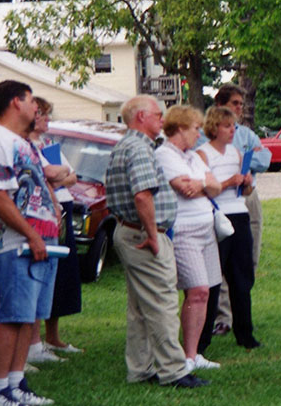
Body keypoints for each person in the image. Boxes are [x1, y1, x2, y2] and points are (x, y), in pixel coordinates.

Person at [106, 95, 207, 389]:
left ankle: (140, 368)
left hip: (129, 231)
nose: (162, 120)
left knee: (140, 307)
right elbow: (142, 195)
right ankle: (174, 371)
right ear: (140, 117)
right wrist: (152, 234)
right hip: (142, 235)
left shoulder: (125, 145)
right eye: (157, 115)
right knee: (163, 303)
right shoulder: (138, 148)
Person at [0, 80, 59, 406]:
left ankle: (16, 384)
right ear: (16, 102)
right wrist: (31, 234)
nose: (36, 108)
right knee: (13, 317)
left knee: (25, 317)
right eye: (32, 101)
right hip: (14, 242)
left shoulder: (22, 142)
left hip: (35, 242)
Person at [154, 106, 223, 371]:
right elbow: (183, 188)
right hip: (185, 231)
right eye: (196, 128)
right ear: (181, 128)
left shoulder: (193, 157)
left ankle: (193, 354)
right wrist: (203, 183)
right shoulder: (165, 155)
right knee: (197, 290)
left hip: (207, 229)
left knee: (205, 293)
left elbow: (214, 187)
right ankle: (185, 355)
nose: (200, 133)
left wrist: (203, 184)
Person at [205, 84, 270, 337]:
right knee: (220, 263)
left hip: (246, 197)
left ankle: (242, 315)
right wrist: (243, 160)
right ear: (220, 105)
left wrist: (244, 160)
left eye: (241, 104)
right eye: (235, 103)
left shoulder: (245, 134)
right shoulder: (206, 135)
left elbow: (264, 160)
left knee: (248, 258)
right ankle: (223, 318)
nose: (240, 108)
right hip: (219, 203)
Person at [197, 106, 260, 349]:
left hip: (239, 214)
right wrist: (227, 182)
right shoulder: (203, 154)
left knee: (242, 278)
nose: (232, 130)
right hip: (217, 217)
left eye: (233, 126)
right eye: (226, 126)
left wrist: (246, 183)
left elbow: (244, 191)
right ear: (214, 128)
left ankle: (245, 334)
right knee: (213, 279)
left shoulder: (236, 153)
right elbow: (205, 188)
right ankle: (202, 338)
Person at [27, 97, 82, 364]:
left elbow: (71, 176)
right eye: (44, 115)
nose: (48, 120)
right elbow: (45, 175)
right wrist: (55, 176)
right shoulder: (28, 147)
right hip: (45, 214)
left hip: (63, 209)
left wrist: (57, 175)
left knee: (61, 274)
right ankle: (33, 342)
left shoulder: (51, 146)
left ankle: (52, 335)